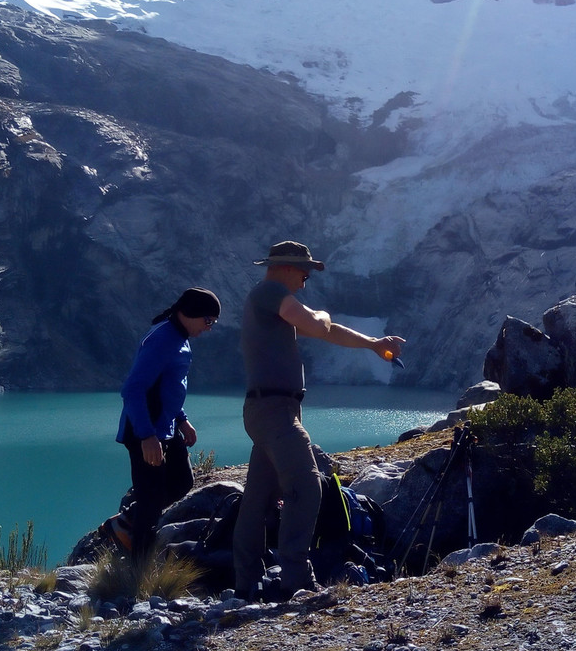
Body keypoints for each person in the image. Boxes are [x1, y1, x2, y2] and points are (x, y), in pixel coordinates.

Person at [232, 241, 404, 599]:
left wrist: (373, 343)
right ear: (287, 267)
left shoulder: (271, 297)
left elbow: (329, 330)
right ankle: (296, 580)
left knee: (259, 496)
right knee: (307, 486)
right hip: (274, 411)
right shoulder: (270, 291)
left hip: (271, 409)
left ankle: (246, 582)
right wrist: (322, 314)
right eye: (305, 272)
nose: (306, 280)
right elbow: (316, 323)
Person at [101, 287, 220, 561]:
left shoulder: (180, 337)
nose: (209, 328)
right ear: (189, 313)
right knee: (151, 497)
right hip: (145, 430)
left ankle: (125, 522)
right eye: (208, 320)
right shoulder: (163, 339)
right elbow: (133, 389)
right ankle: (138, 567)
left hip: (165, 426)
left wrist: (182, 420)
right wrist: (146, 436)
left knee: (182, 481)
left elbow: (168, 387)